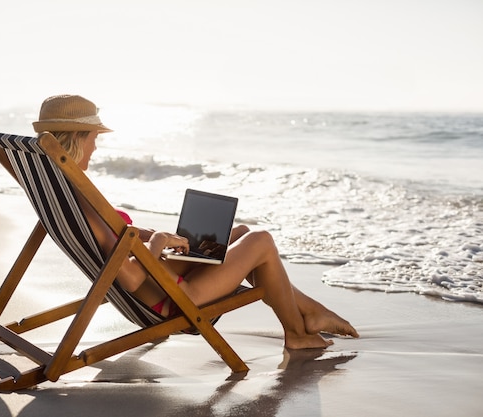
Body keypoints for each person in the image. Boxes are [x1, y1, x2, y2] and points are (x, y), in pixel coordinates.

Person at [32, 94, 359, 349]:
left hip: (163, 278)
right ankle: (298, 334)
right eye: (93, 137)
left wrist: (166, 238)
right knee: (260, 241)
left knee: (239, 234)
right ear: (76, 137)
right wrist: (158, 243)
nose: (96, 145)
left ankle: (312, 312)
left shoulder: (64, 190)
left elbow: (120, 237)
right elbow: (127, 275)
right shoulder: (81, 201)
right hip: (173, 296)